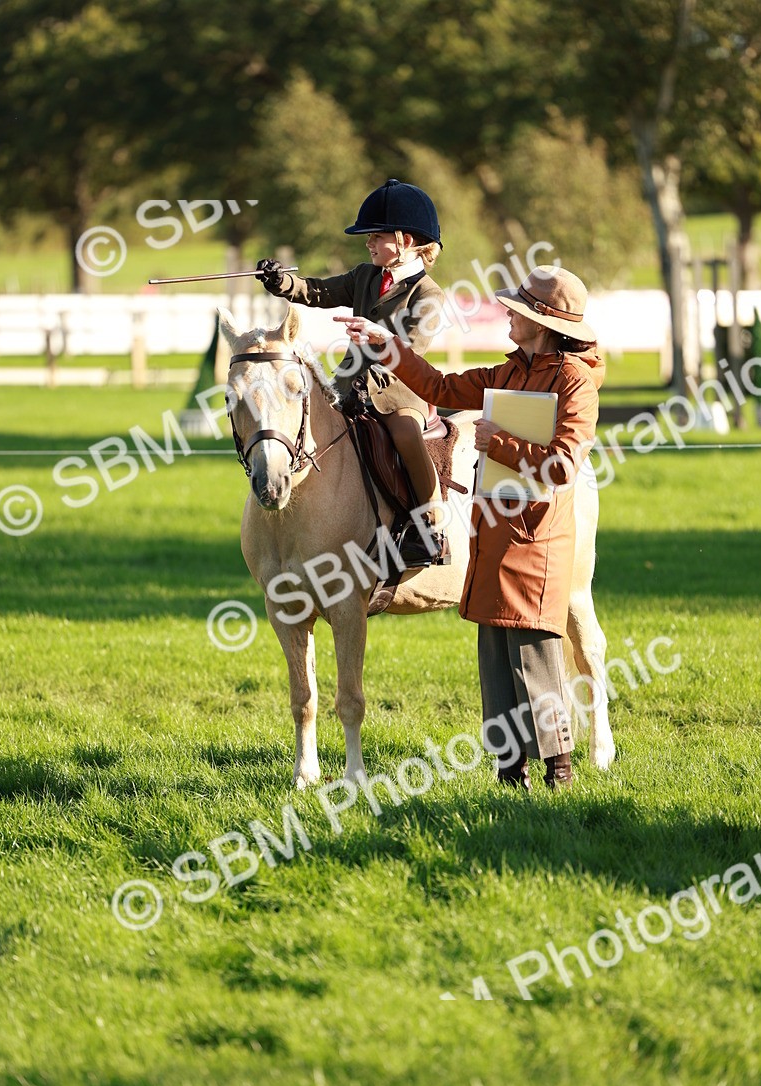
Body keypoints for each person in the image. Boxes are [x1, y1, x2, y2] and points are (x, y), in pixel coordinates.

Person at [337, 265, 603, 790]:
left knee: (536, 656)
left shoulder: (574, 382)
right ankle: (511, 774)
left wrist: (496, 442)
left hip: (537, 536)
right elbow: (437, 384)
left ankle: (560, 773)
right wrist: (386, 343)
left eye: (519, 310)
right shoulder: (507, 371)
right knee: (495, 661)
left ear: (544, 323)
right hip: (491, 534)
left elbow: (563, 466)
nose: (507, 312)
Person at [255, 178, 447, 565]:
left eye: (376, 236)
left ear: (406, 240)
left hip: (397, 394)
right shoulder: (364, 275)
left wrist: (370, 380)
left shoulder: (427, 295)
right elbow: (320, 292)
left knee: (406, 435)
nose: (368, 243)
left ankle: (431, 523)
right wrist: (282, 283)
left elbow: (409, 353)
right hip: (346, 388)